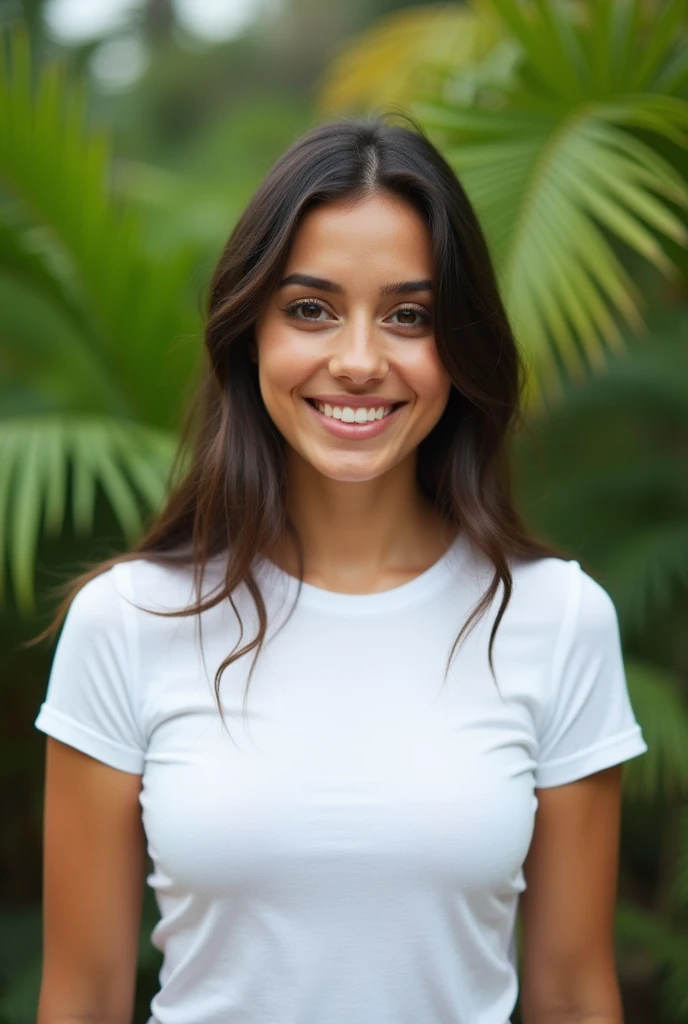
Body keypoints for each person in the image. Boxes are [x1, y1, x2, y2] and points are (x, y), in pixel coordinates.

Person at [34, 113, 647, 1024]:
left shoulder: (558, 619)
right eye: (311, 308)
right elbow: (82, 998)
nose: (359, 361)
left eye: (410, 316)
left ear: (461, 348)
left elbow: (571, 993)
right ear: (251, 333)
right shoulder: (128, 621)